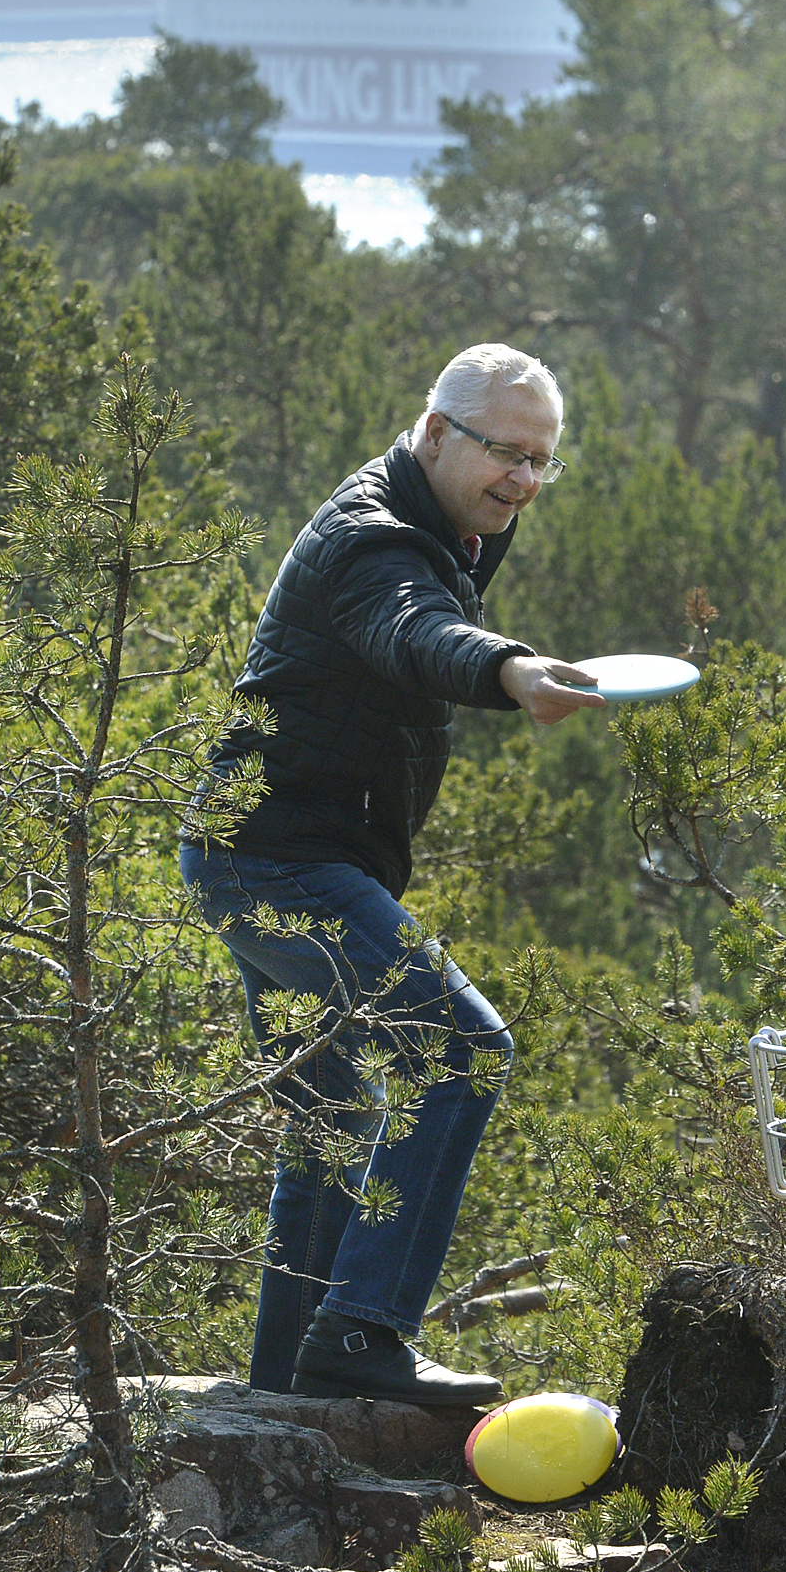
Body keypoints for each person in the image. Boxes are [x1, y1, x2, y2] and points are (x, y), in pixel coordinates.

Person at [182, 343, 601, 1404]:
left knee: (334, 1118)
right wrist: (507, 669)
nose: (523, 477)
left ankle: (286, 1392)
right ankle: (363, 1332)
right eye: (504, 449)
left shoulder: (455, 520)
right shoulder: (372, 535)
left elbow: (423, 613)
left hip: (260, 856)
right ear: (432, 430)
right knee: (463, 1043)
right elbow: (413, 626)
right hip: (278, 861)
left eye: (542, 459)